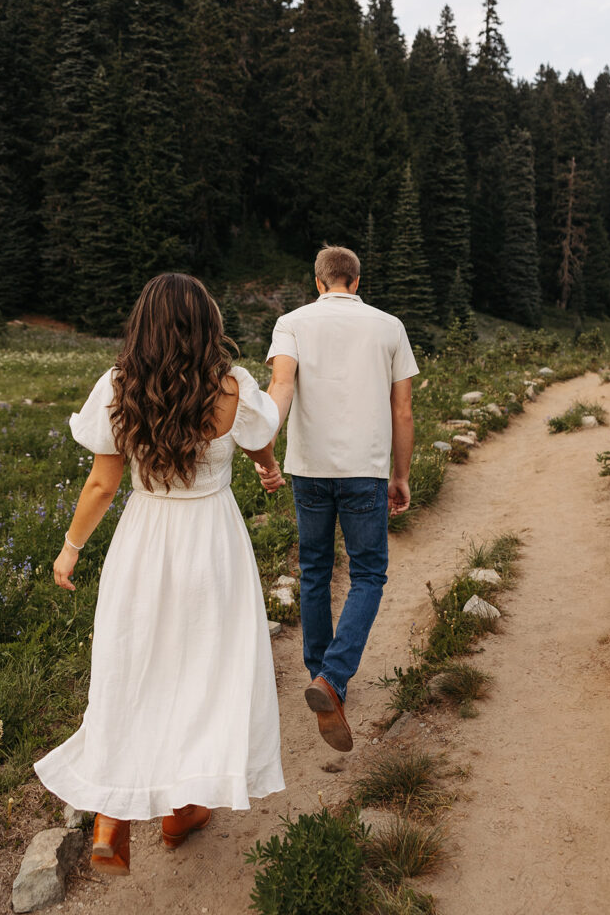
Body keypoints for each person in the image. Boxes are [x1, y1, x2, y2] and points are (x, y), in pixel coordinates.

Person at [34, 273, 286, 876]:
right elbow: (259, 440)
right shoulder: (232, 388)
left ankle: (110, 818)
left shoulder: (120, 387)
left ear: (142, 324)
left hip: (143, 544)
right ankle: (179, 813)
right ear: (208, 325)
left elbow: (102, 482)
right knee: (206, 673)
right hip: (212, 545)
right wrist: (268, 469)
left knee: (133, 666)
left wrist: (70, 548)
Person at [258, 245, 418, 752]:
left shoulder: (291, 322)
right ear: (356, 280)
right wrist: (401, 475)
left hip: (308, 469)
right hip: (365, 470)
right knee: (368, 573)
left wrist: (265, 451)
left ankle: (320, 671)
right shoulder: (389, 325)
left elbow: (280, 385)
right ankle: (333, 677)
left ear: (318, 281)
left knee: (315, 570)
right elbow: (404, 410)